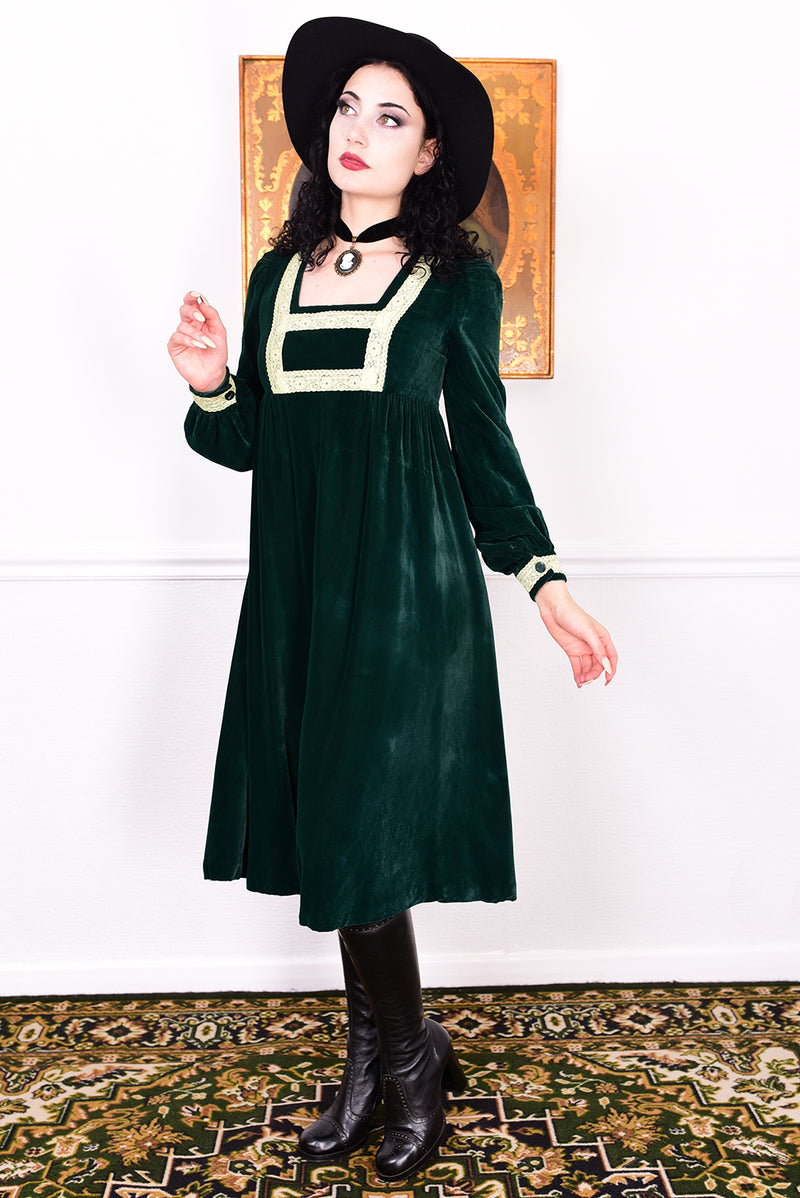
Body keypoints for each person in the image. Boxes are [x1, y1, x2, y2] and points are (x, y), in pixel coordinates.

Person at [167, 17, 617, 1182]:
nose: (357, 131)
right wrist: (215, 384)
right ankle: (382, 1050)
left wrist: (543, 580)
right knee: (333, 835)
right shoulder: (275, 276)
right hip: (300, 593)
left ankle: (405, 1064)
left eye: (391, 117)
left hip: (408, 597)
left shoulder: (455, 282)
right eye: (346, 109)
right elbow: (258, 442)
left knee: (364, 841)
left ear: (427, 157)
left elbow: (482, 444)